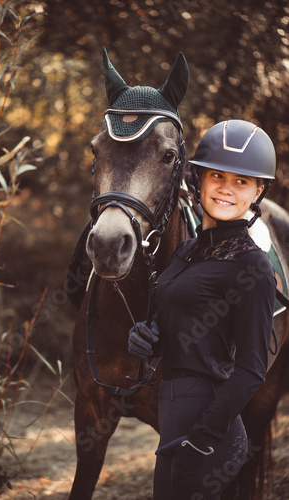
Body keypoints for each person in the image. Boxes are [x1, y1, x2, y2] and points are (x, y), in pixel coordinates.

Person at [128, 119, 277, 499]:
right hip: (172, 410)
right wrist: (150, 338)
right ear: (200, 181)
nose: (226, 189)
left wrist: (201, 440)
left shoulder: (253, 265)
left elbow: (251, 370)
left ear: (257, 191)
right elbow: (182, 331)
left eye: (241, 181)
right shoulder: (186, 251)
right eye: (217, 176)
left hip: (209, 423)